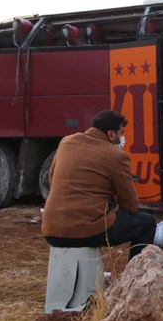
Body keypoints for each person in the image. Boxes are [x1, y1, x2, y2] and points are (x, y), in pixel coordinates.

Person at [41, 110, 156, 258]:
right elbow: (130, 205)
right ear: (111, 134)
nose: (122, 138)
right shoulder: (117, 156)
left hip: (51, 231)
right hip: (86, 231)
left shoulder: (66, 142)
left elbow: (52, 181)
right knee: (147, 223)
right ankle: (136, 277)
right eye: (121, 133)